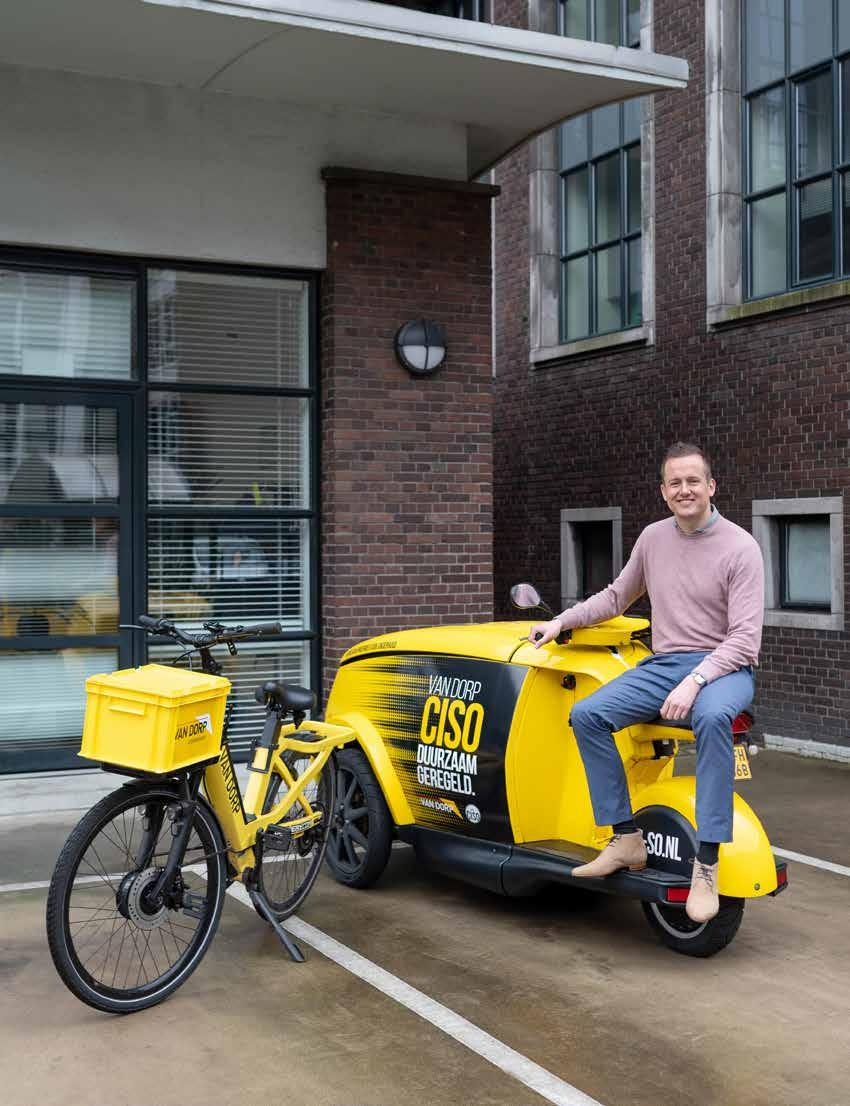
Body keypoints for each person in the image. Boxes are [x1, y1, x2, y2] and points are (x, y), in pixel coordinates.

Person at [529, 442, 764, 923]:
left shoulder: (741, 547)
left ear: (711, 486)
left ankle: (707, 864)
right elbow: (616, 596)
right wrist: (561, 622)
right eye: (675, 483)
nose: (684, 490)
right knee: (588, 714)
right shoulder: (654, 538)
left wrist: (695, 681)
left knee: (712, 717)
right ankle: (625, 837)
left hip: (725, 667)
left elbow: (744, 640)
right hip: (666, 664)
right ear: (663, 491)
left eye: (693, 481)